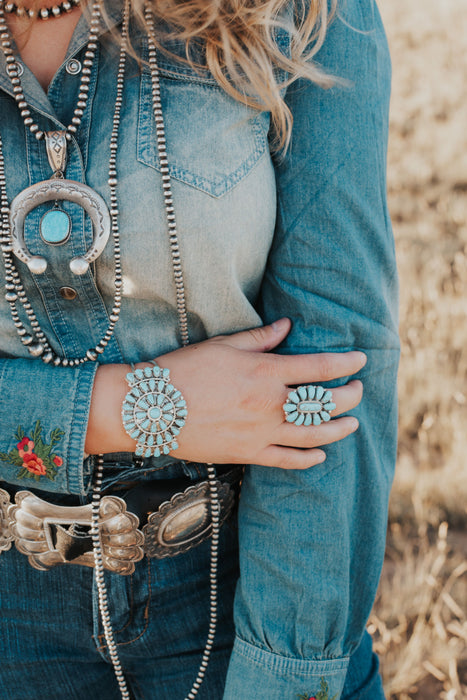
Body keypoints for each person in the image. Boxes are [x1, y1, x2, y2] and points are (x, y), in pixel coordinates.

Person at [0, 0, 399, 698]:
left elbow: (336, 359)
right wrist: (132, 408)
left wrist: (284, 670)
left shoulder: (302, 12)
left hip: (242, 590)